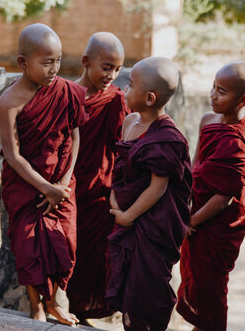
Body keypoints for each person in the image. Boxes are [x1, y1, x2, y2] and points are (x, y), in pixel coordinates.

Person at [0, 23, 88, 326]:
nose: (54, 69)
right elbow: (13, 154)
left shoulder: (66, 91)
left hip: (62, 184)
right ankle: (36, 305)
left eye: (58, 60)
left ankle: (54, 303)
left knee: (63, 242)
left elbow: (74, 136)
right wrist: (45, 187)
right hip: (26, 186)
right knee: (29, 247)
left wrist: (61, 184)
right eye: (46, 62)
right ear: (23, 62)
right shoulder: (9, 102)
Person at [105, 56, 192, 331]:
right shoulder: (130, 121)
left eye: (130, 86)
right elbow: (121, 168)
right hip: (127, 216)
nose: (124, 91)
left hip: (151, 225)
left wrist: (127, 216)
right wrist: (114, 198)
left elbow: (159, 187)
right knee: (128, 287)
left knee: (146, 290)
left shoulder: (167, 138)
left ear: (150, 98)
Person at [176, 61, 245, 331]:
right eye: (213, 86)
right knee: (195, 279)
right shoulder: (207, 121)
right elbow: (196, 163)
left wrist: (192, 222)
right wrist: (184, 202)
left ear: (243, 99)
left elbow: (224, 197)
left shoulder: (236, 140)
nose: (212, 94)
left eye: (222, 91)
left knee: (210, 285)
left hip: (217, 223)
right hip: (198, 211)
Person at [66, 32, 129, 323]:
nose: (112, 75)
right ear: (85, 61)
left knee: (93, 258)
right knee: (69, 255)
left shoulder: (115, 100)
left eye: (117, 69)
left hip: (101, 192)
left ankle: (86, 311)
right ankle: (68, 309)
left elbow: (124, 146)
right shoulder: (66, 95)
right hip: (67, 190)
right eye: (106, 67)